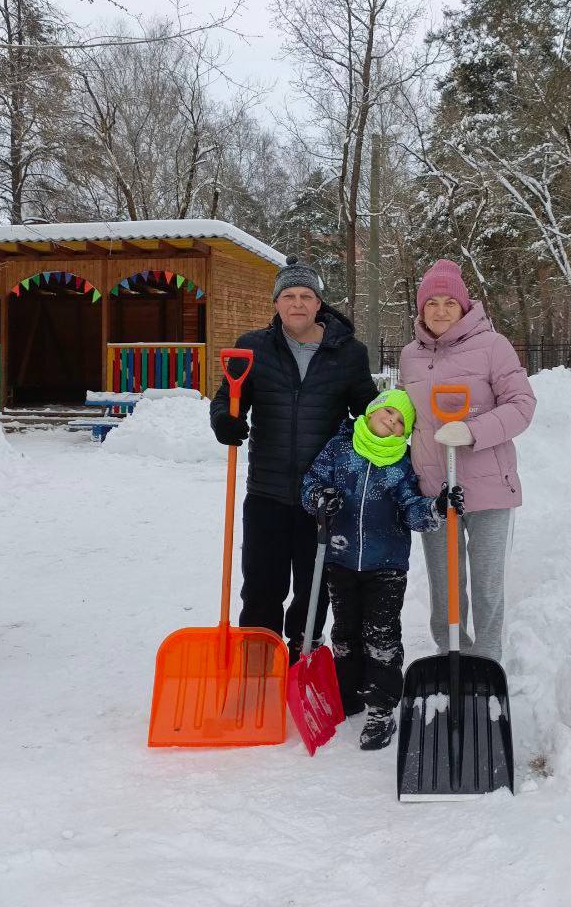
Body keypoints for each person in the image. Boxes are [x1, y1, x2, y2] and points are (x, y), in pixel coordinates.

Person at [210, 255, 378, 663]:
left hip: (320, 496)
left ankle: (302, 657)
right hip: (266, 492)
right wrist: (224, 421)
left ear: (319, 303)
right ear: (276, 303)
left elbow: (367, 411)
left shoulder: (348, 353)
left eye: (306, 295)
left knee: (313, 584)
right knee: (261, 584)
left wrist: (383, 434)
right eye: (289, 295)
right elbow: (226, 399)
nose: (298, 303)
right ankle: (256, 662)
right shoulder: (252, 348)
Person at [301, 388, 464, 750]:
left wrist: (437, 508)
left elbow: (411, 509)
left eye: (400, 421)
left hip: (387, 565)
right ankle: (349, 693)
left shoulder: (402, 463)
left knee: (382, 637)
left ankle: (381, 709)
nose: (391, 421)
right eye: (388, 412)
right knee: (344, 633)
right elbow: (311, 482)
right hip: (340, 558)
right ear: (372, 411)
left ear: (403, 433)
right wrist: (318, 499)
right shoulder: (341, 448)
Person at [399, 259, 536, 664]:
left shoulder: (493, 346)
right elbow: (408, 416)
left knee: (487, 583)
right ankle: (451, 654)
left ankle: (488, 660)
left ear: (463, 307)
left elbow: (523, 405)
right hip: (435, 490)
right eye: (432, 303)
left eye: (449, 303)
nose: (440, 311)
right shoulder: (410, 356)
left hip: (489, 486)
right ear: (421, 309)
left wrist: (473, 430)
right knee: (445, 585)